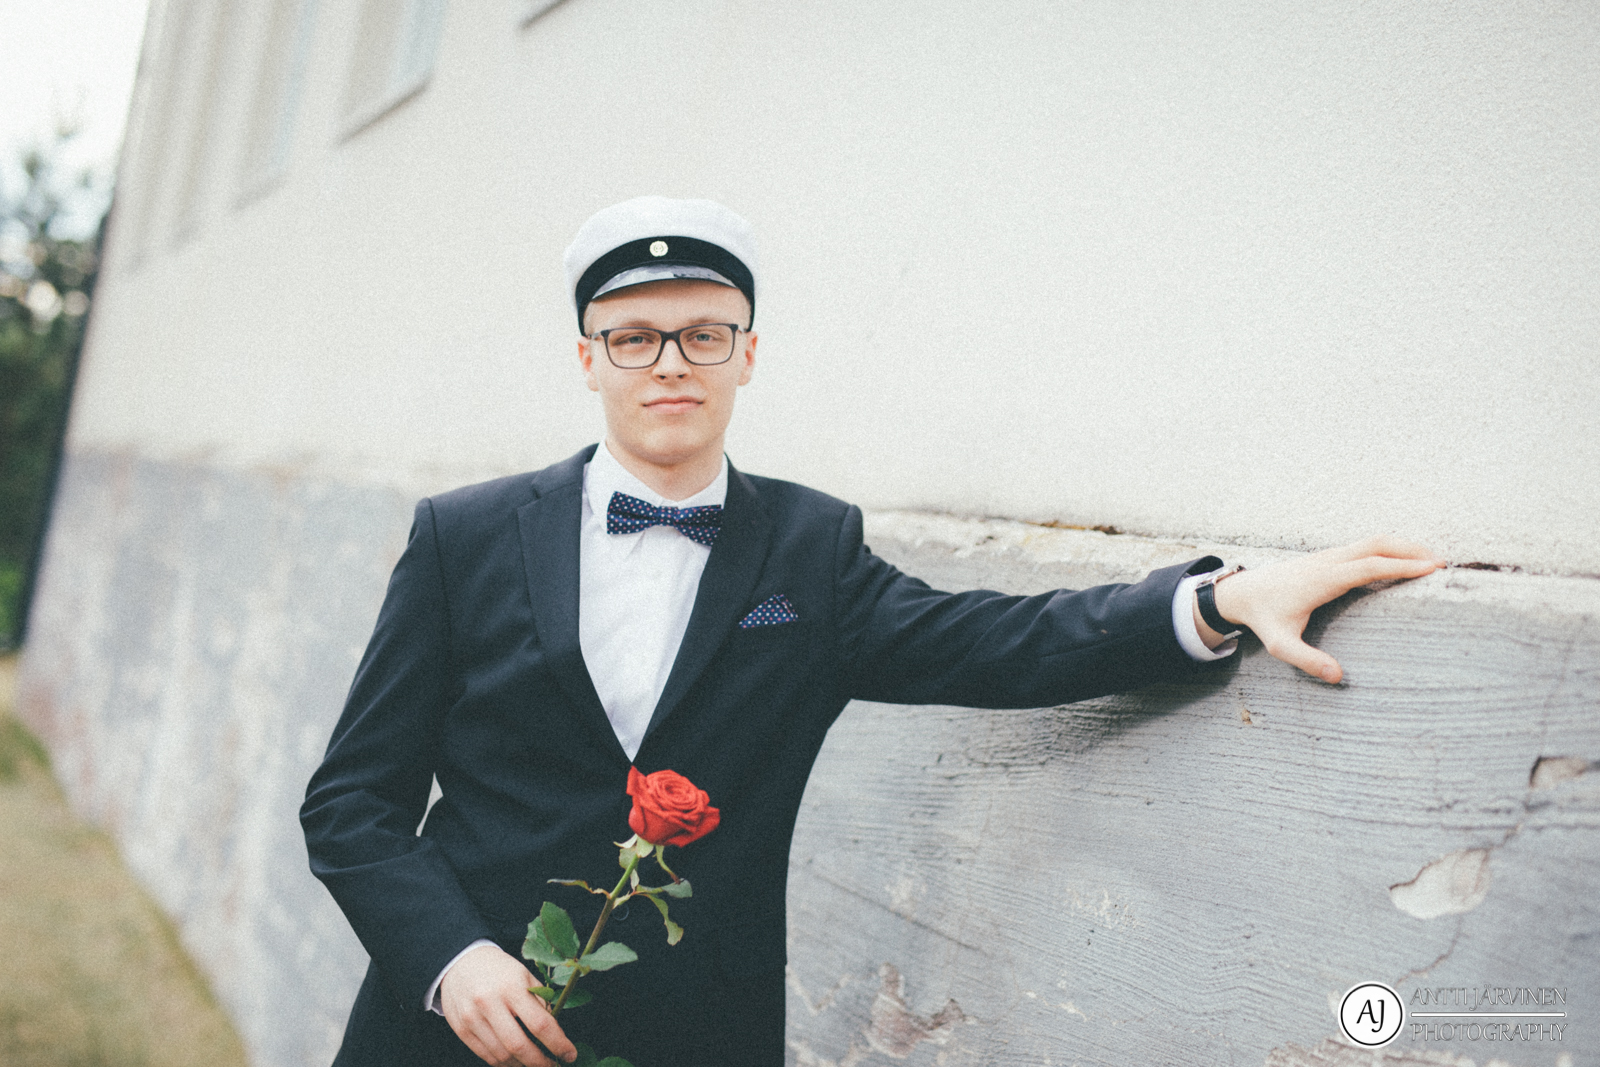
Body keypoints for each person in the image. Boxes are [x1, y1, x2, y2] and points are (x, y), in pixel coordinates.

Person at [300, 197, 1445, 1067]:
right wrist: (449, 957)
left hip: (693, 1030)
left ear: (749, 352)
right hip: (451, 1025)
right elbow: (353, 800)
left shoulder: (810, 549)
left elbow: (998, 640)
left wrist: (1220, 598)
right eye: (634, 336)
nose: (671, 363)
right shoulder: (464, 535)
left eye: (703, 333)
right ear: (587, 356)